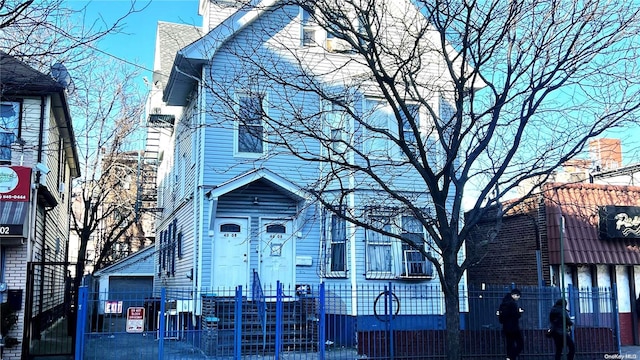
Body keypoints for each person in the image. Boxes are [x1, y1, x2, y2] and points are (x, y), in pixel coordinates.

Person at [498, 288, 524, 360]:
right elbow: (515, 315)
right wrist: (519, 312)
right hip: (514, 327)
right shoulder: (512, 304)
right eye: (518, 296)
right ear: (514, 295)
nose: (518, 298)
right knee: (520, 344)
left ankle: (509, 357)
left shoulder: (503, 304)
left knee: (510, 344)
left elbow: (501, 318)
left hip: (506, 327)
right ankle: (511, 357)